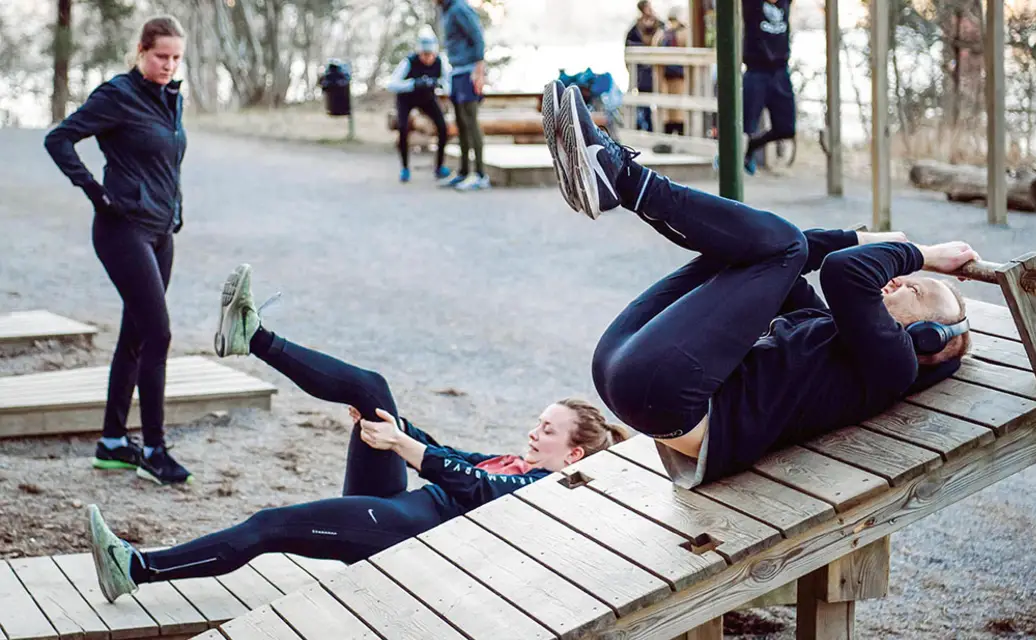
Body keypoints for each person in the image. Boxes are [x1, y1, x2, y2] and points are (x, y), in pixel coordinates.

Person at [86, 263, 627, 603]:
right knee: (372, 388)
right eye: (538, 421)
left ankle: (136, 569)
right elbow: (451, 455)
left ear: (574, 452)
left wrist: (404, 446)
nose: (535, 432)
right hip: (399, 505)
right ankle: (252, 338)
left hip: (402, 541)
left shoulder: (544, 493)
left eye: (548, 430)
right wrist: (397, 428)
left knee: (270, 526)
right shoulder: (517, 463)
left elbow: (469, 484)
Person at [543, 81, 977, 488]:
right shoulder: (824, 330)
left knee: (782, 244)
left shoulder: (895, 366)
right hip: (624, 365)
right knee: (762, 249)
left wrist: (923, 253)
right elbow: (799, 251)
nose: (898, 280)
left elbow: (845, 274)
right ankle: (613, 179)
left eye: (915, 290)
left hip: (670, 397)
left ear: (926, 337)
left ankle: (622, 179)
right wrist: (861, 239)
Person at [44, 16, 192, 486]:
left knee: (137, 335)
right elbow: (59, 138)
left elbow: (167, 162)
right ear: (141, 51)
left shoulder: (172, 99)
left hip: (159, 232)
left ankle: (112, 442)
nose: (168, 65)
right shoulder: (118, 95)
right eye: (160, 56)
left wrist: (175, 209)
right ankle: (153, 448)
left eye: (175, 57)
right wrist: (94, 190)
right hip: (121, 229)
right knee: (159, 333)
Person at [437, 0, 490, 191]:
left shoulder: (460, 7)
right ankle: (464, 171)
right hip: (456, 71)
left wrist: (479, 70)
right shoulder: (446, 10)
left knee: (470, 122)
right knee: (460, 123)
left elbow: (477, 35)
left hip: (469, 71)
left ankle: (481, 174)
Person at [388, 30, 452, 184]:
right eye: (424, 54)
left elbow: (448, 83)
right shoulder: (409, 62)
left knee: (443, 127)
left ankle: (439, 166)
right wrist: (413, 83)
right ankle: (405, 168)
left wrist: (439, 85)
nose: (428, 58)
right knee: (403, 128)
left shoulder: (441, 61)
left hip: (427, 97)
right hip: (406, 98)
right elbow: (392, 84)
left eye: (430, 55)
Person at [741, 0, 796, 174]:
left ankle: (752, 146)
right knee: (745, 126)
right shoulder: (753, 5)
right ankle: (734, 156)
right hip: (756, 70)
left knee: (786, 128)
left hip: (780, 71)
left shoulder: (784, 3)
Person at [625, 0, 665, 132]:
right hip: (643, 74)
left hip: (658, 72)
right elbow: (629, 51)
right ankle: (647, 128)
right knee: (644, 105)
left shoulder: (660, 26)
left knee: (659, 103)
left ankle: (657, 129)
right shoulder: (635, 30)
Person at [661, 7, 688, 136]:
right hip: (676, 76)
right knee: (676, 110)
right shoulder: (682, 33)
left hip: (673, 76)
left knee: (674, 110)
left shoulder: (665, 33)